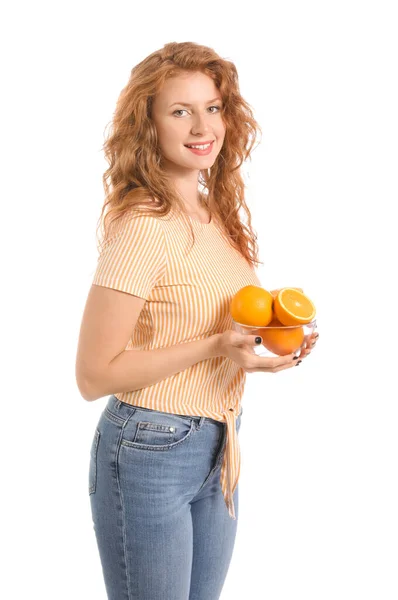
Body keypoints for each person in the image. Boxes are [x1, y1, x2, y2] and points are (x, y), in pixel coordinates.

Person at [75, 41, 318, 600]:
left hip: (218, 443)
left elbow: (208, 326)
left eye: (212, 106)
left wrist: (269, 340)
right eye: (179, 111)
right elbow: (93, 374)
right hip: (149, 449)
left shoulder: (212, 213)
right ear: (149, 124)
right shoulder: (143, 224)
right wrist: (216, 347)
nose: (201, 124)